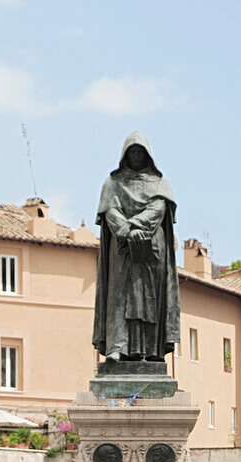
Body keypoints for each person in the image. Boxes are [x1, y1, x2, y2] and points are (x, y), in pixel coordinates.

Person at [93, 132, 180, 363]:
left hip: (151, 246)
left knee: (149, 296)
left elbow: (159, 208)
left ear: (147, 155)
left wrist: (136, 226)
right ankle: (116, 347)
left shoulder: (161, 183)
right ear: (125, 155)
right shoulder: (113, 183)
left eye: (140, 152)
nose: (136, 156)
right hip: (122, 245)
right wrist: (125, 231)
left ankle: (152, 349)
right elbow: (110, 209)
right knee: (119, 295)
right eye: (132, 151)